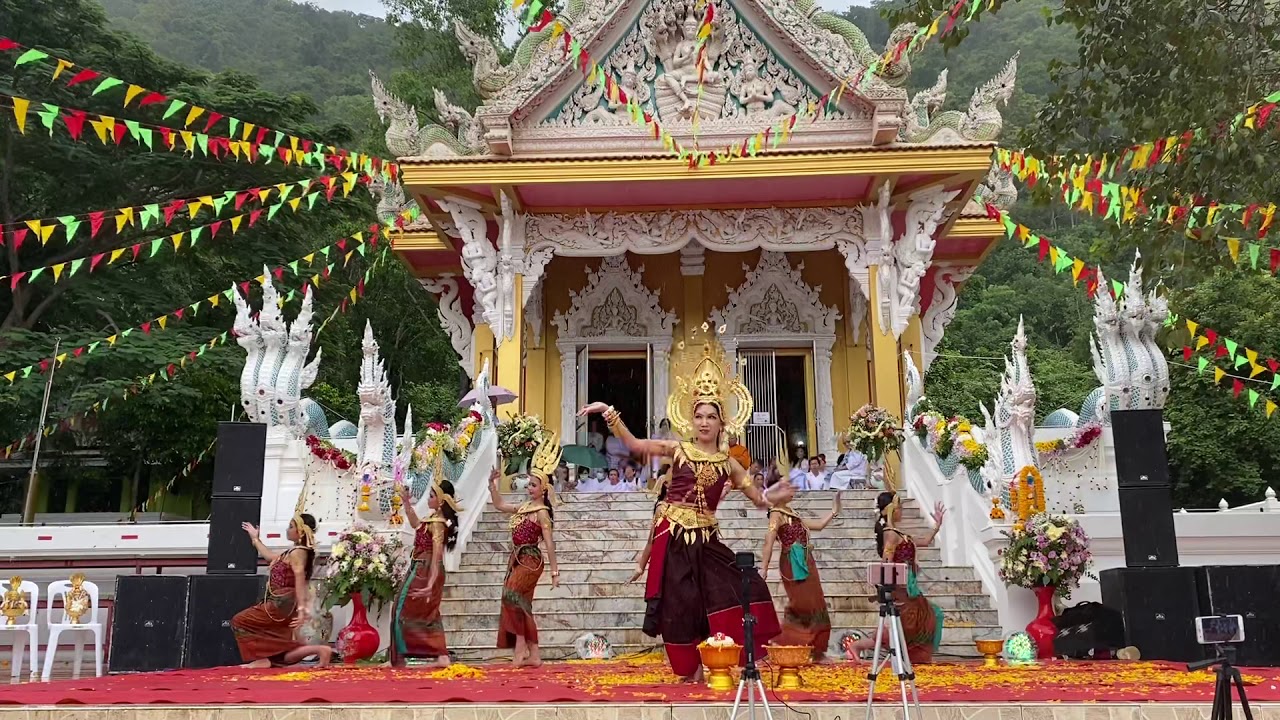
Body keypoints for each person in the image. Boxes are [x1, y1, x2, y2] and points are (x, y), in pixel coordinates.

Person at [578, 329, 786, 682]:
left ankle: (721, 656)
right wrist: (608, 413)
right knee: (682, 604)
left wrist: (777, 494)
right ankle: (692, 668)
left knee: (738, 588)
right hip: (674, 537)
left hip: (708, 540)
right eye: (699, 416)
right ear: (692, 419)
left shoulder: (730, 463)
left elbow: (759, 499)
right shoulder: (678, 450)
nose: (704, 422)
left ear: (722, 422)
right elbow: (635, 444)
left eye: (711, 416)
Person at [488, 435, 563, 667]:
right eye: (529, 484)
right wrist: (492, 485)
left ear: (544, 488)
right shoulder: (524, 507)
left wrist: (555, 572)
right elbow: (500, 505)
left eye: (534, 485)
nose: (530, 488)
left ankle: (520, 646)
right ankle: (535, 654)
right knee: (521, 603)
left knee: (511, 595)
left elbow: (549, 544)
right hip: (517, 559)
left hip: (531, 560)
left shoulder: (542, 513)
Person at [853, 492, 947, 665]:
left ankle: (858, 646)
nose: (901, 511)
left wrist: (937, 526)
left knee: (922, 618)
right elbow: (886, 561)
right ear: (891, 510)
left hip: (909, 585)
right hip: (900, 585)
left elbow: (925, 541)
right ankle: (857, 646)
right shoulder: (890, 534)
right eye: (899, 508)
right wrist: (891, 587)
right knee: (908, 623)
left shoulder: (898, 533)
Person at [232, 513, 333, 668]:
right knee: (282, 651)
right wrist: (255, 538)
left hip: (281, 602)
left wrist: (301, 610)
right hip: (283, 601)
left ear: (300, 531)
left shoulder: (298, 552)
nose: (287, 530)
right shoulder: (295, 551)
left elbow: (300, 577)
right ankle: (321, 650)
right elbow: (270, 557)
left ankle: (261, 658)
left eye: (291, 527)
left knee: (240, 621)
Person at [762, 485, 840, 660]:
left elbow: (818, 525)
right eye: (787, 489)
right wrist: (764, 568)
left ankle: (816, 650)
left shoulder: (792, 513)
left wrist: (834, 511)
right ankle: (788, 645)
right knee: (803, 604)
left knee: (816, 602)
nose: (792, 491)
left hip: (806, 560)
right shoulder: (777, 514)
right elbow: (769, 541)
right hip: (792, 563)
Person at [390, 478, 459, 667]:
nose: (428, 499)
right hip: (419, 568)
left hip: (427, 570)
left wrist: (431, 583)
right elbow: (415, 524)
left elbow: (437, 556)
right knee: (427, 613)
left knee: (401, 608)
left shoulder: (438, 524)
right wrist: (406, 502)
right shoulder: (432, 520)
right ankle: (439, 656)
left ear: (441, 501)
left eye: (431, 496)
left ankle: (401, 657)